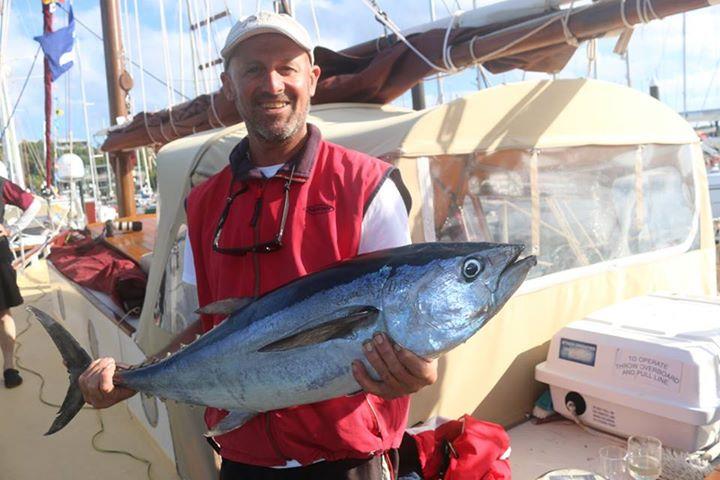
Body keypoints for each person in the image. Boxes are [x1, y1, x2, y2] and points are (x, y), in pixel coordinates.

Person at [78, 11, 438, 479]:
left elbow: (401, 312)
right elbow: (206, 326)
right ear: (229, 85)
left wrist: (419, 367)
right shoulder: (204, 203)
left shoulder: (366, 186)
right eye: (252, 70)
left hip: (347, 458)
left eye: (286, 67)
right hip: (244, 460)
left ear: (312, 78)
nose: (271, 84)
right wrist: (135, 376)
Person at [0, 168, 41, 388]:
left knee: (3, 313)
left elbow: (33, 204)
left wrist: (12, 228)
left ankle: (9, 367)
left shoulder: (1, 185)